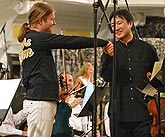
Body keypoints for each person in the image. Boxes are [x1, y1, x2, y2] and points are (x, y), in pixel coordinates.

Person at [17, 2, 110, 137]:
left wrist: (55, 93)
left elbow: (34, 75)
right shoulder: (38, 38)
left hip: (37, 100)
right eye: (52, 19)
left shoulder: (28, 40)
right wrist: (102, 42)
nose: (54, 23)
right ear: (41, 20)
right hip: (41, 103)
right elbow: (71, 41)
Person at [100, 9, 159, 137]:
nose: (116, 28)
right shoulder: (109, 49)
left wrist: (150, 86)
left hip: (144, 113)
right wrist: (109, 57)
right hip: (119, 115)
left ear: (130, 24)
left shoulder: (147, 49)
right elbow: (105, 76)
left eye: (119, 23)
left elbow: (157, 80)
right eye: (113, 25)